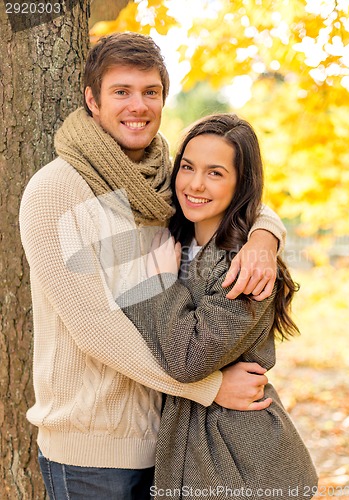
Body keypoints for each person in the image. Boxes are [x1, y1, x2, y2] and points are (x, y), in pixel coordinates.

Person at [19, 33, 287, 499]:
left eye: (150, 92)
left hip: (166, 441)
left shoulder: (163, 176)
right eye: (121, 91)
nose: (137, 106)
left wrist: (266, 236)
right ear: (92, 100)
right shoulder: (57, 191)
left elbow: (231, 196)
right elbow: (97, 327)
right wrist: (210, 388)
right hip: (90, 451)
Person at [121, 113, 318, 498]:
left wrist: (158, 284)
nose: (195, 184)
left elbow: (188, 359)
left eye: (215, 173)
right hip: (182, 445)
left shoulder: (247, 268)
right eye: (188, 168)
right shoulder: (171, 241)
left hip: (239, 459)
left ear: (240, 184)